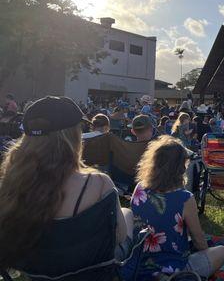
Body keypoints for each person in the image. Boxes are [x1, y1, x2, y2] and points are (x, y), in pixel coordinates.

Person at [0, 96, 133, 270]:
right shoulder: (99, 183)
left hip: (36, 269)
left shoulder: (11, 183)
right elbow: (120, 237)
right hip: (89, 270)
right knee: (127, 214)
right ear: (72, 137)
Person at [130, 136, 224, 278]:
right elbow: (199, 241)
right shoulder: (184, 198)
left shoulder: (139, 188)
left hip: (139, 265)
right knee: (222, 251)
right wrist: (205, 252)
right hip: (175, 268)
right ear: (181, 167)